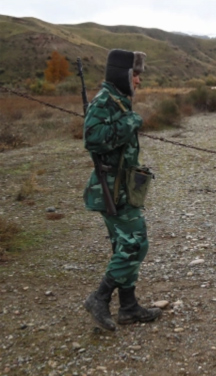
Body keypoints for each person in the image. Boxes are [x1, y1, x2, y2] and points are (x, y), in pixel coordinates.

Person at [82, 49, 161, 331]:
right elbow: (92, 139)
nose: (138, 81)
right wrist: (132, 121)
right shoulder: (105, 102)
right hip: (112, 189)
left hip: (124, 187)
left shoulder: (119, 100)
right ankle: (99, 298)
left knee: (123, 246)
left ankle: (128, 307)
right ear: (122, 75)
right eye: (135, 75)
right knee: (135, 244)